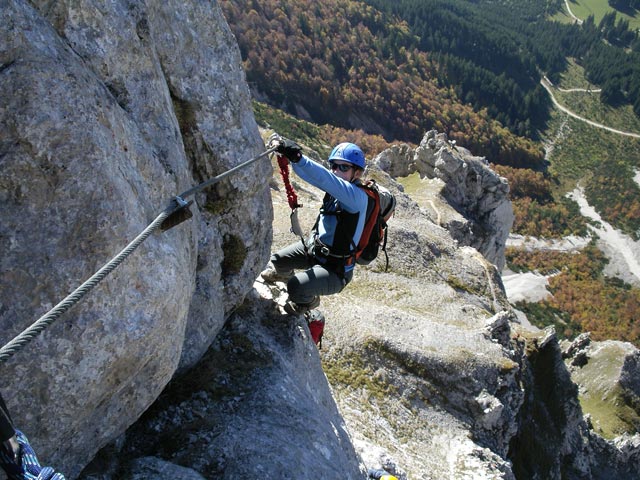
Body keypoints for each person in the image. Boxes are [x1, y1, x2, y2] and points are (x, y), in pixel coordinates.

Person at [262, 134, 370, 315]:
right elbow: (315, 176)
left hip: (335, 270)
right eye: (334, 166)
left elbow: (324, 178)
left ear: (357, 173)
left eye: (343, 167)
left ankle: (307, 302)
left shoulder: (356, 197)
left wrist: (298, 157)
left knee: (295, 287)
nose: (336, 171)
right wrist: (292, 159)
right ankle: (285, 276)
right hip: (315, 250)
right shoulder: (338, 190)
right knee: (277, 260)